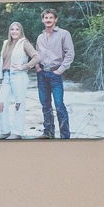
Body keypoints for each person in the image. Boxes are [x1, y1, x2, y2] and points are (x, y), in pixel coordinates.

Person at [33, 8, 74, 139]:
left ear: (55, 19)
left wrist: (60, 70)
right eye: (46, 18)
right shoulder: (40, 37)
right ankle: (48, 132)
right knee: (45, 105)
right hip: (42, 75)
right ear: (42, 20)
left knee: (59, 105)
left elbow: (70, 54)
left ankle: (65, 135)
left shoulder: (64, 34)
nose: (48, 20)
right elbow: (36, 54)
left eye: (51, 18)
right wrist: (37, 67)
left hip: (56, 74)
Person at [0, 21, 36, 139]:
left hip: (19, 76)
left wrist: (24, 66)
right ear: (9, 31)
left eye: (17, 29)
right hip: (6, 77)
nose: (14, 31)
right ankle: (5, 131)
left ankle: (17, 133)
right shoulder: (6, 43)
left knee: (19, 104)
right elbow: (2, 62)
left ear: (21, 31)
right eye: (12, 29)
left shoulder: (24, 43)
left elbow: (36, 57)